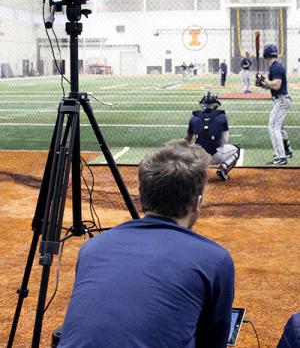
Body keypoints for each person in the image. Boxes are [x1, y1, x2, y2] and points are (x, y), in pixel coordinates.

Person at [58, 141, 235, 348]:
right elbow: (214, 340)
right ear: (197, 202)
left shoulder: (93, 247)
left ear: (142, 194)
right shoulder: (214, 259)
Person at [186, 92, 240, 181]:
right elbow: (224, 140)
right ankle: (223, 168)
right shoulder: (222, 117)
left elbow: (187, 140)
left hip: (199, 157)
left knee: (190, 149)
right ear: (216, 104)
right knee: (236, 149)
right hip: (216, 155)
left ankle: (195, 172)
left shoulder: (194, 118)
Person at [256, 44, 292, 166]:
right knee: (279, 127)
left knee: (273, 127)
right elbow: (272, 86)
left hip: (281, 100)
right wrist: (262, 84)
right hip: (281, 99)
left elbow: (276, 85)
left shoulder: (276, 68)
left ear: (265, 55)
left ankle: (280, 157)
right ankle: (286, 150)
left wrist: (264, 80)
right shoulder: (275, 67)